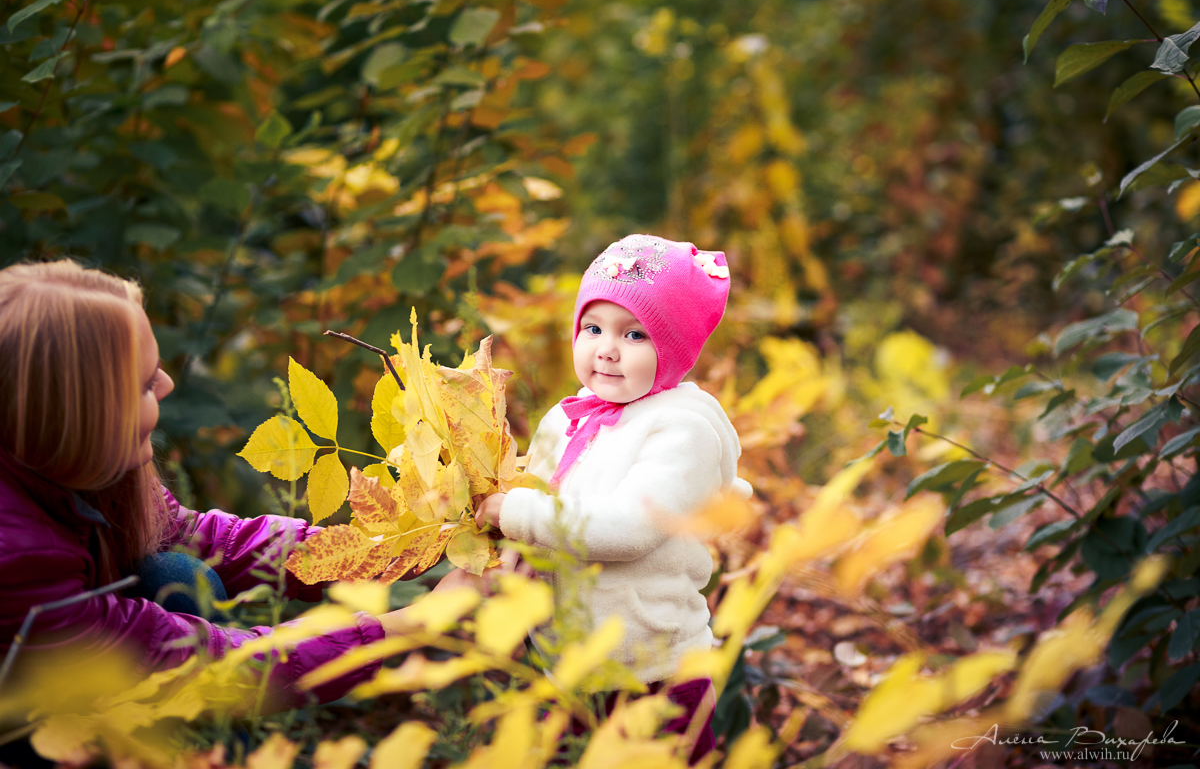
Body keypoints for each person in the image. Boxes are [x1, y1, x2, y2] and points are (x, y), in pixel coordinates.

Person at [0, 259, 474, 717]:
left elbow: (217, 542)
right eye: (144, 384)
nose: (166, 384)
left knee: (176, 572)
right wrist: (414, 623)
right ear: (79, 418)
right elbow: (213, 667)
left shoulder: (77, 467)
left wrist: (404, 543)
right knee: (178, 586)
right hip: (29, 721)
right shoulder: (16, 555)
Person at [474, 234, 752, 763]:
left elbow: (626, 530)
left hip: (654, 671)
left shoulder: (681, 432)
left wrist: (518, 515)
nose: (606, 348)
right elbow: (538, 501)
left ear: (675, 349)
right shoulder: (568, 418)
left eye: (635, 334)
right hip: (568, 664)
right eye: (593, 328)